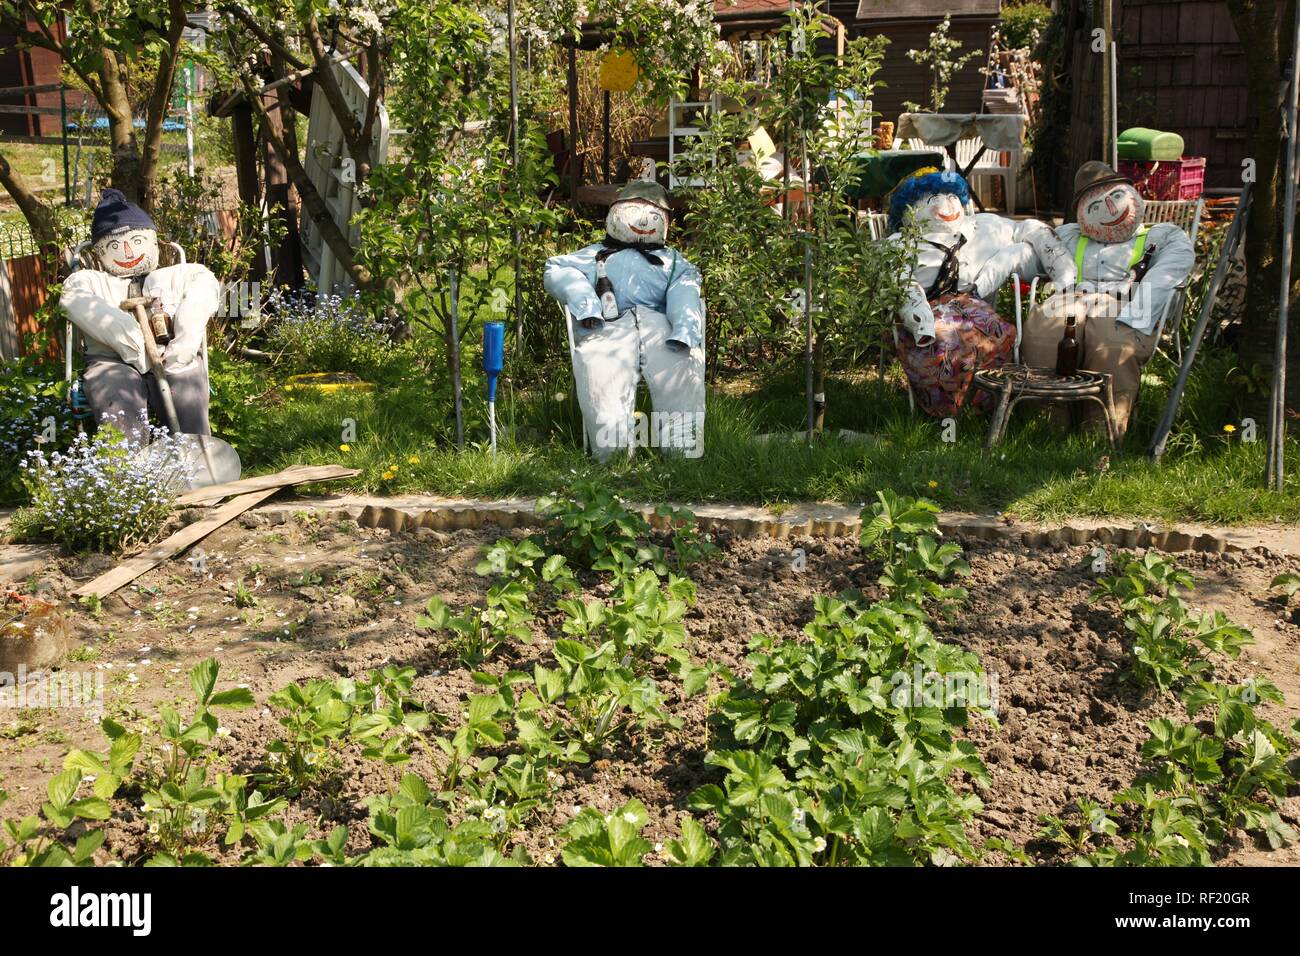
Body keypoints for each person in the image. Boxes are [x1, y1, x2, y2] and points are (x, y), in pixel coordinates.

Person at [1020, 161, 1195, 438]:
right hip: (1070, 297)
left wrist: (1139, 311)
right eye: (1095, 205)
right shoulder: (1067, 235)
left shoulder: (1161, 236)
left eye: (1115, 196)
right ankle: (1046, 428)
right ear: (1080, 212)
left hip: (1127, 302)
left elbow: (1172, 268)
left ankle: (1101, 434)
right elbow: (1030, 259)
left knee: (1112, 346)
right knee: (1042, 337)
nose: (1111, 209)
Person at [887, 168, 1073, 417]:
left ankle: (984, 405)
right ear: (911, 209)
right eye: (934, 199)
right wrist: (919, 319)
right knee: (946, 344)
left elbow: (1029, 230)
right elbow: (899, 281)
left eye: (953, 197)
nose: (947, 204)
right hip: (926, 309)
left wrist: (1064, 272)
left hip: (970, 303)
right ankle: (947, 414)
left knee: (1002, 333)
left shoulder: (981, 229)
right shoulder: (901, 243)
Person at [544, 181, 705, 461]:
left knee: (679, 371)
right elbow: (558, 269)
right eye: (632, 211)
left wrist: (684, 327)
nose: (641, 220)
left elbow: (685, 289)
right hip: (606, 326)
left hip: (663, 327)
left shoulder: (673, 263)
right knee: (600, 371)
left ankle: (683, 450)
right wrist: (586, 304)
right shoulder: (595, 254)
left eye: (651, 213)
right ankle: (613, 452)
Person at [60, 188, 220, 437]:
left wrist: (183, 346)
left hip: (172, 354)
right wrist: (135, 344)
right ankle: (129, 468)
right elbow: (74, 300)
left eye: (136, 241)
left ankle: (194, 454)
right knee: (116, 396)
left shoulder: (180, 275)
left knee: (186, 384)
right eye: (114, 245)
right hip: (112, 362)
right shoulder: (88, 281)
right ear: (100, 252)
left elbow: (204, 290)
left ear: (152, 241)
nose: (127, 251)